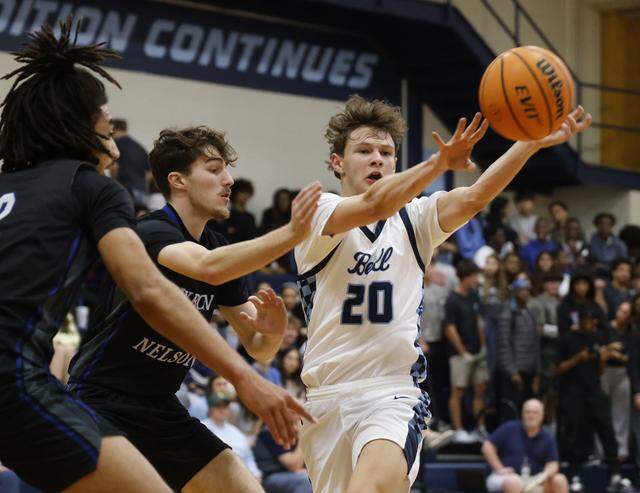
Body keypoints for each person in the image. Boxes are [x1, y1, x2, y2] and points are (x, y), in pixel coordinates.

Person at [0, 18, 303, 493]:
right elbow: (150, 290)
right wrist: (246, 379)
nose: (116, 143)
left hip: (159, 405)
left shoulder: (10, 186)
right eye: (105, 124)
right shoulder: (106, 198)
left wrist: (270, 336)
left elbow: (256, 340)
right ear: (80, 126)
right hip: (73, 390)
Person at [294, 94, 591, 493]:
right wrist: (438, 163)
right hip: (325, 398)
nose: (377, 159)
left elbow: (476, 195)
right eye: (364, 151)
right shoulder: (319, 213)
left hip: (392, 392)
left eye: (386, 152)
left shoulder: (414, 218)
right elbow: (372, 205)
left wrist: (530, 142)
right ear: (337, 162)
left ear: (397, 163)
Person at [68, 126, 320, 492]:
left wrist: (274, 329)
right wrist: (292, 234)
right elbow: (207, 267)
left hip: (161, 408)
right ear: (178, 180)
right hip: (101, 400)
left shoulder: (218, 246)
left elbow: (257, 349)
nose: (229, 180)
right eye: (215, 169)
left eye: (227, 170)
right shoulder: (150, 232)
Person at [555, 306, 633, 493]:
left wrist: (603, 360)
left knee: (607, 431)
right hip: (573, 392)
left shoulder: (598, 338)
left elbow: (598, 371)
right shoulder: (568, 339)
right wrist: (577, 359)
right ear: (579, 321)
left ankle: (616, 474)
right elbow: (558, 369)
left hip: (595, 391)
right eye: (583, 319)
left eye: (590, 320)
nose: (587, 323)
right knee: (575, 434)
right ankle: (574, 475)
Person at [444, 260, 489, 442]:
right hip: (459, 354)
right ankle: (459, 430)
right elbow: (449, 328)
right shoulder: (452, 299)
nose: (477, 280)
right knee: (458, 391)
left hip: (478, 351)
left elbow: (478, 321)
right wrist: (462, 352)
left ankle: (480, 428)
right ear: (466, 277)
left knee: (480, 390)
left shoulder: (474, 295)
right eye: (474, 276)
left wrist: (483, 345)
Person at [482, 399, 568, 493]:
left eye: (535, 413)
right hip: (506, 476)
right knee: (514, 482)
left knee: (560, 480)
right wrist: (500, 469)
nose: (531, 416)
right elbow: (487, 446)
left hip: (535, 478)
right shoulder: (509, 428)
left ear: (542, 415)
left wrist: (543, 476)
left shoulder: (548, 437)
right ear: (522, 414)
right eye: (528, 412)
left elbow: (553, 464)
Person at [497, 277, 540, 421]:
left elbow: (535, 344)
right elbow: (503, 344)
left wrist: (536, 371)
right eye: (522, 290)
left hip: (528, 370)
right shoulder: (508, 312)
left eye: (528, 290)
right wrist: (512, 371)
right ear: (515, 292)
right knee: (511, 413)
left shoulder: (529, 313)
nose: (526, 293)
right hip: (514, 371)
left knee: (526, 413)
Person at [202, 393, 262, 481]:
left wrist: (256, 475)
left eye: (225, 407)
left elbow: (248, 457)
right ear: (210, 409)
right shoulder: (202, 427)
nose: (222, 410)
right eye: (218, 406)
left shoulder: (235, 431)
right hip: (216, 476)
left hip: (242, 476)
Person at [600, 301, 633, 461]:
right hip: (604, 370)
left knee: (621, 413)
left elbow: (631, 355)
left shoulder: (632, 331)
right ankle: (600, 451)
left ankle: (621, 452)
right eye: (621, 310)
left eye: (627, 312)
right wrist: (609, 351)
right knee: (602, 412)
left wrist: (619, 355)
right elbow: (600, 349)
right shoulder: (606, 328)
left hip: (623, 372)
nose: (623, 314)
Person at [253, 428, 312, 493]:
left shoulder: (292, 431)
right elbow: (295, 465)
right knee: (305, 480)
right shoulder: (271, 432)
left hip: (291, 474)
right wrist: (303, 436)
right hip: (273, 476)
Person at [112, 118, 151, 209]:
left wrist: (113, 182)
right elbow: (149, 174)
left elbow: (114, 167)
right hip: (142, 191)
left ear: (115, 129)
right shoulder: (139, 147)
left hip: (125, 189)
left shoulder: (116, 144)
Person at [213, 178, 258, 244]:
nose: (245, 196)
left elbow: (252, 236)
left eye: (247, 193)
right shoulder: (226, 214)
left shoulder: (250, 217)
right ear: (235, 193)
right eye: (242, 192)